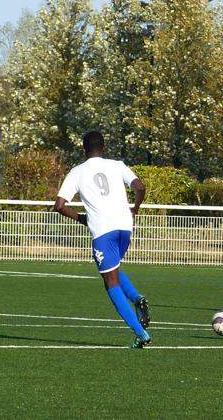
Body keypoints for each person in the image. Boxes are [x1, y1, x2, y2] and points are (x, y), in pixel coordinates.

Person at [53, 131, 151, 348]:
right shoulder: (117, 165)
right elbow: (140, 186)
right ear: (104, 148)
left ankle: (140, 333)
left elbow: (59, 205)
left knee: (110, 282)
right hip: (125, 227)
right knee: (113, 270)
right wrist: (135, 207)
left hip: (103, 230)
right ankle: (137, 298)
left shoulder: (77, 172)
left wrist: (81, 219)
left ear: (83, 150)